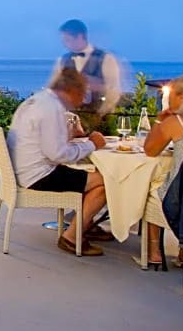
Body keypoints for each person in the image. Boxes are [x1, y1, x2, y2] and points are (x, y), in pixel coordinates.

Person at [8, 68, 108, 256]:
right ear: (72, 90)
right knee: (106, 181)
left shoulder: (38, 101)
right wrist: (92, 144)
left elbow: (46, 144)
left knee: (90, 174)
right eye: (82, 93)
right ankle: (72, 236)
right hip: (38, 176)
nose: (83, 100)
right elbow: (58, 154)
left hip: (24, 170)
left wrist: (70, 136)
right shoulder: (51, 108)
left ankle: (86, 223)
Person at [143, 75, 183, 268]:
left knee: (151, 189)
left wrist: (159, 121)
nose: (167, 99)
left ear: (182, 97)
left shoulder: (177, 121)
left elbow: (150, 150)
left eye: (171, 95)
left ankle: (154, 251)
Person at [48, 19, 121, 130]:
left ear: (80, 36)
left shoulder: (106, 58)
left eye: (67, 40)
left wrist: (102, 115)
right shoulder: (62, 61)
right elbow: (52, 90)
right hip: (70, 124)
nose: (64, 44)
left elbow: (114, 90)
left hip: (98, 122)